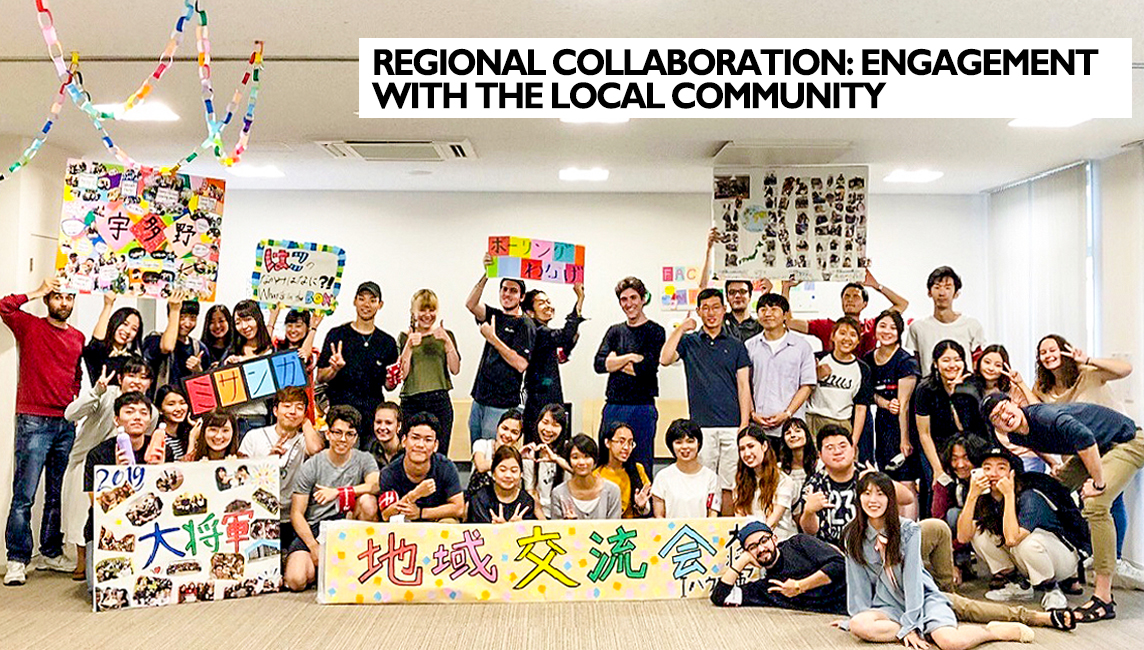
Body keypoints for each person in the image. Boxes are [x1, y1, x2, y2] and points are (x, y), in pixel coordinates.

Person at [983, 394, 1144, 622]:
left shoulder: (1047, 417)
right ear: (995, 426)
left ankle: (1103, 599)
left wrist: (1098, 483)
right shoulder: (1015, 435)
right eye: (996, 417)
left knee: (1096, 504)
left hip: (1126, 442)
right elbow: (1035, 443)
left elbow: (1085, 438)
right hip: (1098, 445)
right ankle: (1070, 563)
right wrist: (1052, 463)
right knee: (1051, 487)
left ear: (1014, 404)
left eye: (1004, 408)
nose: (1004, 416)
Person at [842, 472, 1035, 649]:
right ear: (858, 498)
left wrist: (911, 623)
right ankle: (921, 631)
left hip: (923, 598)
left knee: (950, 642)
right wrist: (856, 617)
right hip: (887, 605)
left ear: (890, 499)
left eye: (880, 494)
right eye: (866, 494)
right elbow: (858, 583)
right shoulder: (852, 534)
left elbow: (913, 580)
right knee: (858, 625)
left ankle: (993, 631)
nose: (873, 500)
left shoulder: (908, 530)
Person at [1028, 333, 1136, 579]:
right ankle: (1092, 554)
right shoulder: (1044, 388)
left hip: (1113, 443)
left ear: (1064, 350)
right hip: (1078, 453)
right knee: (1081, 501)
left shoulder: (1087, 372)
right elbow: (1038, 414)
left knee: (1109, 500)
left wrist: (1088, 358)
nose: (1048, 355)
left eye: (1052, 349)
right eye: (1043, 352)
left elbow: (1125, 369)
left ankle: (1115, 559)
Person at [2, 277, 86, 586]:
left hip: (65, 422)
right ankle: (16, 559)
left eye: (68, 298)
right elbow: (5, 306)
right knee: (24, 495)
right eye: (58, 297)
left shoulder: (77, 337)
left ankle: (51, 552)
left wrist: (74, 404)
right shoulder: (30, 326)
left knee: (56, 494)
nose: (64, 303)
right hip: (33, 420)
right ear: (48, 300)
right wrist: (36, 291)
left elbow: (77, 374)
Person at [955, 445, 1083, 611]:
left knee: (1025, 543)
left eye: (1001, 468)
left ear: (1013, 473)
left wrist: (1008, 495)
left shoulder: (1029, 497)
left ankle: (1052, 590)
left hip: (1062, 558)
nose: (993, 474)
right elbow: (963, 537)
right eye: (987, 468)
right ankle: (1018, 585)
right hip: (1030, 557)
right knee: (978, 532)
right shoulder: (983, 497)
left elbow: (1012, 538)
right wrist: (972, 495)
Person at [660, 288, 752, 512]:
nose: (711, 313)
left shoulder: (736, 345)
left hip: (732, 426)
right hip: (701, 426)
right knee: (703, 484)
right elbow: (664, 359)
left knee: (731, 485)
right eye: (706, 308)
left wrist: (744, 424)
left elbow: (743, 386)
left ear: (724, 310)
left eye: (716, 307)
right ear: (699, 311)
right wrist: (681, 329)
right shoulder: (689, 342)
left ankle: (729, 531)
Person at [63, 357, 153, 579]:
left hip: (128, 468)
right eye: (132, 375)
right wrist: (96, 391)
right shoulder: (106, 395)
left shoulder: (148, 408)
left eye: (143, 378)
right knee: (82, 512)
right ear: (121, 378)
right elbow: (70, 414)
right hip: (90, 459)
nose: (137, 382)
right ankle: (83, 561)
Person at [285, 405, 380, 591]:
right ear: (328, 434)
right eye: (337, 432)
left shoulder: (364, 459)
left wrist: (339, 492)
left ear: (356, 438)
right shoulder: (313, 465)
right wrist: (313, 546)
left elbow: (375, 486)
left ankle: (351, 560)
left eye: (349, 434)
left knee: (368, 501)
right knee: (296, 581)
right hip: (315, 528)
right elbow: (296, 514)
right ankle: (322, 566)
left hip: (346, 525)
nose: (342, 439)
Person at [81, 392, 172, 587]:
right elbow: (97, 505)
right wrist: (117, 475)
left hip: (152, 528)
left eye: (143, 413)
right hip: (109, 530)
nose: (137, 417)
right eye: (129, 412)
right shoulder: (98, 454)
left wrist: (161, 470)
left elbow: (169, 498)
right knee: (97, 589)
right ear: (116, 420)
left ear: (150, 419)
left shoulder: (162, 448)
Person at [239, 387, 325, 553]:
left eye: (299, 408)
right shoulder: (254, 436)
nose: (293, 412)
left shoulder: (304, 440)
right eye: (287, 406)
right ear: (275, 410)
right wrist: (267, 461)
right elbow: (241, 474)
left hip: (291, 517)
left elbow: (315, 449)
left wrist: (306, 422)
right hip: (257, 515)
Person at [594, 276, 666, 474]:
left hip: (642, 407)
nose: (629, 304)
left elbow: (646, 369)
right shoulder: (614, 331)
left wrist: (615, 362)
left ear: (643, 299)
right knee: (607, 462)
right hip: (614, 405)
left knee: (641, 464)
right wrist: (631, 357)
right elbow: (599, 364)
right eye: (624, 299)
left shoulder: (655, 331)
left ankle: (642, 505)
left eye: (633, 298)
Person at [317, 281, 399, 449]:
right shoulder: (336, 335)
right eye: (361, 299)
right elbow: (320, 377)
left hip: (372, 418)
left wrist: (396, 377)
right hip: (341, 418)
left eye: (372, 300)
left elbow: (389, 386)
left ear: (380, 305)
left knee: (372, 466)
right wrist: (334, 368)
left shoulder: (387, 342)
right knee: (343, 468)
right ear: (354, 301)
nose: (366, 305)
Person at [466, 256, 535, 442]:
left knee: (492, 453)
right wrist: (486, 274)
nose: (507, 294)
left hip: (501, 404)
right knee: (477, 451)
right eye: (504, 289)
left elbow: (521, 364)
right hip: (480, 397)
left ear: (521, 297)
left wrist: (493, 339)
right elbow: (470, 304)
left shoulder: (525, 325)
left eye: (513, 291)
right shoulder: (494, 315)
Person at [711, 520, 847, 613]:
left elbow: (840, 565)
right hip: (833, 614)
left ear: (774, 539)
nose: (761, 548)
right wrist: (741, 562)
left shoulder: (798, 543)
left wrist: (800, 586)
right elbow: (720, 596)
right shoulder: (768, 586)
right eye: (752, 547)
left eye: (764, 540)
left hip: (855, 596)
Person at [783, 269, 910, 357]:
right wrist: (786, 288)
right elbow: (789, 322)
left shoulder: (872, 326)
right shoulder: (827, 326)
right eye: (847, 296)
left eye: (855, 296)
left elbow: (902, 304)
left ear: (865, 304)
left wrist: (877, 286)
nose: (850, 299)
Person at [915, 340, 987, 495]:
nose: (952, 365)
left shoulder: (973, 385)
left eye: (957, 359)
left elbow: (966, 428)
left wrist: (958, 392)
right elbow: (924, 433)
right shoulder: (925, 389)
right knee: (938, 489)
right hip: (937, 446)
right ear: (935, 363)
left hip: (970, 446)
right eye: (946, 360)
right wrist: (937, 469)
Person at [745, 293, 816, 439]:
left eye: (774, 309)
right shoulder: (749, 346)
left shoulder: (802, 346)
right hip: (759, 426)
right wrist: (752, 413)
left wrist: (787, 413)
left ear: (785, 315)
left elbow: (807, 385)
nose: (768, 314)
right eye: (763, 309)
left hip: (792, 428)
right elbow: (744, 384)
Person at [397, 289, 461, 453]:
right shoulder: (405, 336)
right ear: (413, 312)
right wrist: (409, 347)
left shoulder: (446, 335)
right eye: (422, 310)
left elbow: (455, 369)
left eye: (431, 310)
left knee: (439, 452)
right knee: (411, 452)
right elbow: (402, 375)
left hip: (439, 400)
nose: (427, 315)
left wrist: (447, 342)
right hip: (411, 401)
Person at [521, 283, 584, 443]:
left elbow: (562, 347)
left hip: (544, 393)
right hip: (541, 398)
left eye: (548, 301)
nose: (548, 305)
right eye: (541, 303)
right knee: (542, 444)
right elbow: (564, 335)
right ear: (530, 312)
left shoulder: (540, 332)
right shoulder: (538, 331)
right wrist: (579, 299)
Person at [805, 318, 875, 461]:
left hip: (842, 423)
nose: (847, 338)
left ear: (857, 341)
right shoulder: (818, 359)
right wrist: (815, 375)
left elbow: (861, 408)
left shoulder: (863, 369)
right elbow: (801, 389)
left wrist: (854, 440)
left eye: (852, 335)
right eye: (842, 333)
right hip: (813, 420)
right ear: (833, 336)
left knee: (842, 466)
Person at [864, 309, 920, 481]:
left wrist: (904, 439)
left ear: (899, 332)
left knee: (906, 481)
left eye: (893, 328)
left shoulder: (905, 361)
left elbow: (904, 405)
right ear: (874, 330)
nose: (887, 331)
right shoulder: (867, 359)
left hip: (906, 424)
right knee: (886, 478)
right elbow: (866, 392)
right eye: (882, 326)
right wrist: (884, 403)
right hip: (882, 424)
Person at [378, 412, 465, 523]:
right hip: (404, 525)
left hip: (435, 520)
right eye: (415, 438)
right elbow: (386, 515)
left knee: (448, 522)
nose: (420, 445)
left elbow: (459, 508)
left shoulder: (446, 467)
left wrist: (421, 512)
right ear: (404, 441)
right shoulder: (389, 472)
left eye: (428, 440)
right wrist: (414, 494)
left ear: (435, 445)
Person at [904, 266, 986, 378]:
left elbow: (977, 363)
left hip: (964, 388)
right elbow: (917, 363)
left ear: (956, 293)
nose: (942, 293)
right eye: (937, 287)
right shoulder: (918, 327)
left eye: (948, 287)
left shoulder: (971, 325)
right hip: (930, 389)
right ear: (929, 292)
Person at [973, 345, 1042, 471]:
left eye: (997, 365)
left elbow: (1038, 412)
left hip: (1022, 454)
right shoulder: (972, 390)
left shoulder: (1012, 389)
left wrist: (1020, 383)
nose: (991, 368)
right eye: (987, 362)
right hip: (989, 456)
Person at [698, 227, 770, 342]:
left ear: (750, 295)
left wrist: (768, 294)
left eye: (742, 291)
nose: (737, 296)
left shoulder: (759, 326)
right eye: (732, 292)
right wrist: (709, 250)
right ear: (726, 297)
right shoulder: (719, 321)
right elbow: (703, 288)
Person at [221, 299, 277, 438]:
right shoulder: (231, 351)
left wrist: (244, 361)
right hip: (231, 420)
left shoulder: (271, 351)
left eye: (248, 319)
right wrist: (225, 367)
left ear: (258, 319)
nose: (244, 326)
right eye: (238, 322)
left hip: (257, 420)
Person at [732, 425, 797, 540]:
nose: (747, 454)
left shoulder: (784, 481)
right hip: (751, 542)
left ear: (764, 446)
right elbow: (740, 518)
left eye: (751, 446)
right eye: (742, 449)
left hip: (781, 542)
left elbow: (772, 522)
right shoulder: (739, 480)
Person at [141, 290, 208, 399]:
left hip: (186, 408)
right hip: (159, 407)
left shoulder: (199, 348)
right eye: (182, 317)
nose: (187, 323)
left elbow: (206, 384)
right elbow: (167, 347)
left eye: (192, 318)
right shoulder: (154, 339)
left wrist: (198, 370)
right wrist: (175, 309)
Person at [651, 419, 720, 518]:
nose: (685, 447)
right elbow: (659, 517)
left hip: (703, 532)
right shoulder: (662, 477)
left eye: (690, 441)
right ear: (671, 445)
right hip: (671, 532)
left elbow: (712, 516)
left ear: (698, 443)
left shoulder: (711, 478)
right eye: (678, 442)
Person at [268, 307, 324, 422]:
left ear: (306, 328)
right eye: (289, 325)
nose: (293, 330)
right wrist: (272, 319)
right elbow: (262, 348)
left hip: (301, 413)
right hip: (276, 410)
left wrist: (314, 328)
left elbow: (303, 356)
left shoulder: (313, 352)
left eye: (298, 326)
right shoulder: (277, 345)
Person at [550, 435, 621, 520]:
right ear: (569, 461)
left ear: (595, 459)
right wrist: (568, 525)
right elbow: (556, 529)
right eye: (575, 457)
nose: (581, 462)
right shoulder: (559, 493)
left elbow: (614, 528)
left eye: (586, 456)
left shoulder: (612, 491)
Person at [522, 404, 572, 519]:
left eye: (555, 425)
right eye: (545, 422)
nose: (548, 429)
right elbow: (531, 492)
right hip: (540, 516)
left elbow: (580, 473)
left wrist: (556, 459)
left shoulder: (569, 450)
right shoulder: (530, 452)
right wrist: (546, 523)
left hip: (566, 514)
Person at [466, 446, 538, 523]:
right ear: (493, 473)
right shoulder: (480, 499)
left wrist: (518, 528)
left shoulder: (526, 501)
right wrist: (501, 529)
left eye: (514, 471)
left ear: (521, 474)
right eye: (502, 470)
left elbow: (528, 532)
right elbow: (477, 531)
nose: (508, 475)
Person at [81, 294, 142, 382]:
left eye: (134, 329)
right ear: (115, 322)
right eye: (125, 324)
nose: (128, 331)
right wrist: (108, 305)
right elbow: (97, 341)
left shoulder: (135, 359)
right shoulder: (99, 353)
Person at [596, 421, 652, 518]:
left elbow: (646, 510)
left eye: (630, 443)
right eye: (621, 442)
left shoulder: (637, 469)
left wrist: (641, 506)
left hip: (631, 528)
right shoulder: (597, 474)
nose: (626, 447)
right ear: (607, 442)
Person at [467, 409, 524, 500]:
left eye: (514, 432)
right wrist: (510, 461)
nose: (507, 435)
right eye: (504, 428)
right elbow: (481, 466)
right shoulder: (482, 444)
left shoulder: (517, 455)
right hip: (479, 499)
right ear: (497, 427)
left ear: (519, 437)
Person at [778, 418, 817, 508]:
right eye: (788, 433)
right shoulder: (779, 469)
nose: (793, 435)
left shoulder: (819, 466)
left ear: (806, 435)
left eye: (797, 431)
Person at [153, 385, 194, 459]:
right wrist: (192, 437)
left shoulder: (187, 431)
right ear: (159, 409)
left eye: (182, 403)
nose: (178, 409)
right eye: (171, 404)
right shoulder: (157, 437)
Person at [366, 402, 404, 469]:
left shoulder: (407, 451)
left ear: (399, 426)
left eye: (388, 423)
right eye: (378, 422)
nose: (382, 427)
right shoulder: (369, 450)